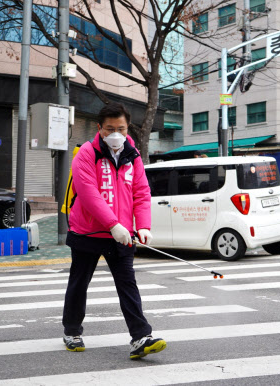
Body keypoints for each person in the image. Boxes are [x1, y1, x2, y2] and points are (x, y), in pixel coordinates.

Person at [62, 102, 167, 360]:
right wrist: (113, 224)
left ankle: (141, 336)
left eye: (121, 128)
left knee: (128, 285)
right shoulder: (86, 153)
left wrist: (142, 225)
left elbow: (141, 192)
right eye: (110, 129)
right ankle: (72, 331)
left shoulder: (133, 155)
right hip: (87, 232)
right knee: (79, 283)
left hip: (121, 234)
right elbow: (88, 194)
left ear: (127, 127)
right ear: (100, 128)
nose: (116, 133)